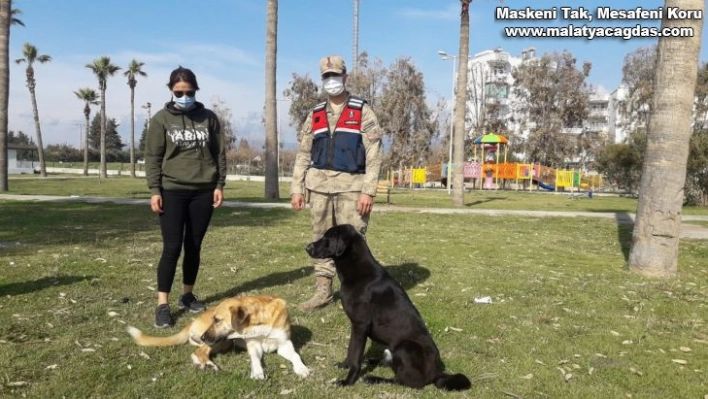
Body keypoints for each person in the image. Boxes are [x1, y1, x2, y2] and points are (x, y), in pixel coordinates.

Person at [290, 55, 384, 311]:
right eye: (326, 76)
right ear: (322, 80)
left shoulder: (362, 111)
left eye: (336, 75)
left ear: (346, 77)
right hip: (319, 187)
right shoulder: (315, 115)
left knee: (352, 242)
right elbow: (303, 154)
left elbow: (374, 155)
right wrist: (297, 188)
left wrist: (369, 191)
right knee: (321, 239)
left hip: (352, 188)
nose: (332, 81)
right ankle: (323, 292)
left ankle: (357, 292)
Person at [144, 66, 227, 328]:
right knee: (171, 248)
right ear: (171, 90)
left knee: (194, 246)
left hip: (203, 191)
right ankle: (162, 304)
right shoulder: (160, 120)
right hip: (172, 191)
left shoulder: (209, 118)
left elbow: (219, 153)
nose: (185, 96)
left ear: (196, 90)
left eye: (189, 92)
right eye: (180, 92)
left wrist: (219, 184)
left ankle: (187, 295)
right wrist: (155, 190)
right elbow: (153, 157)